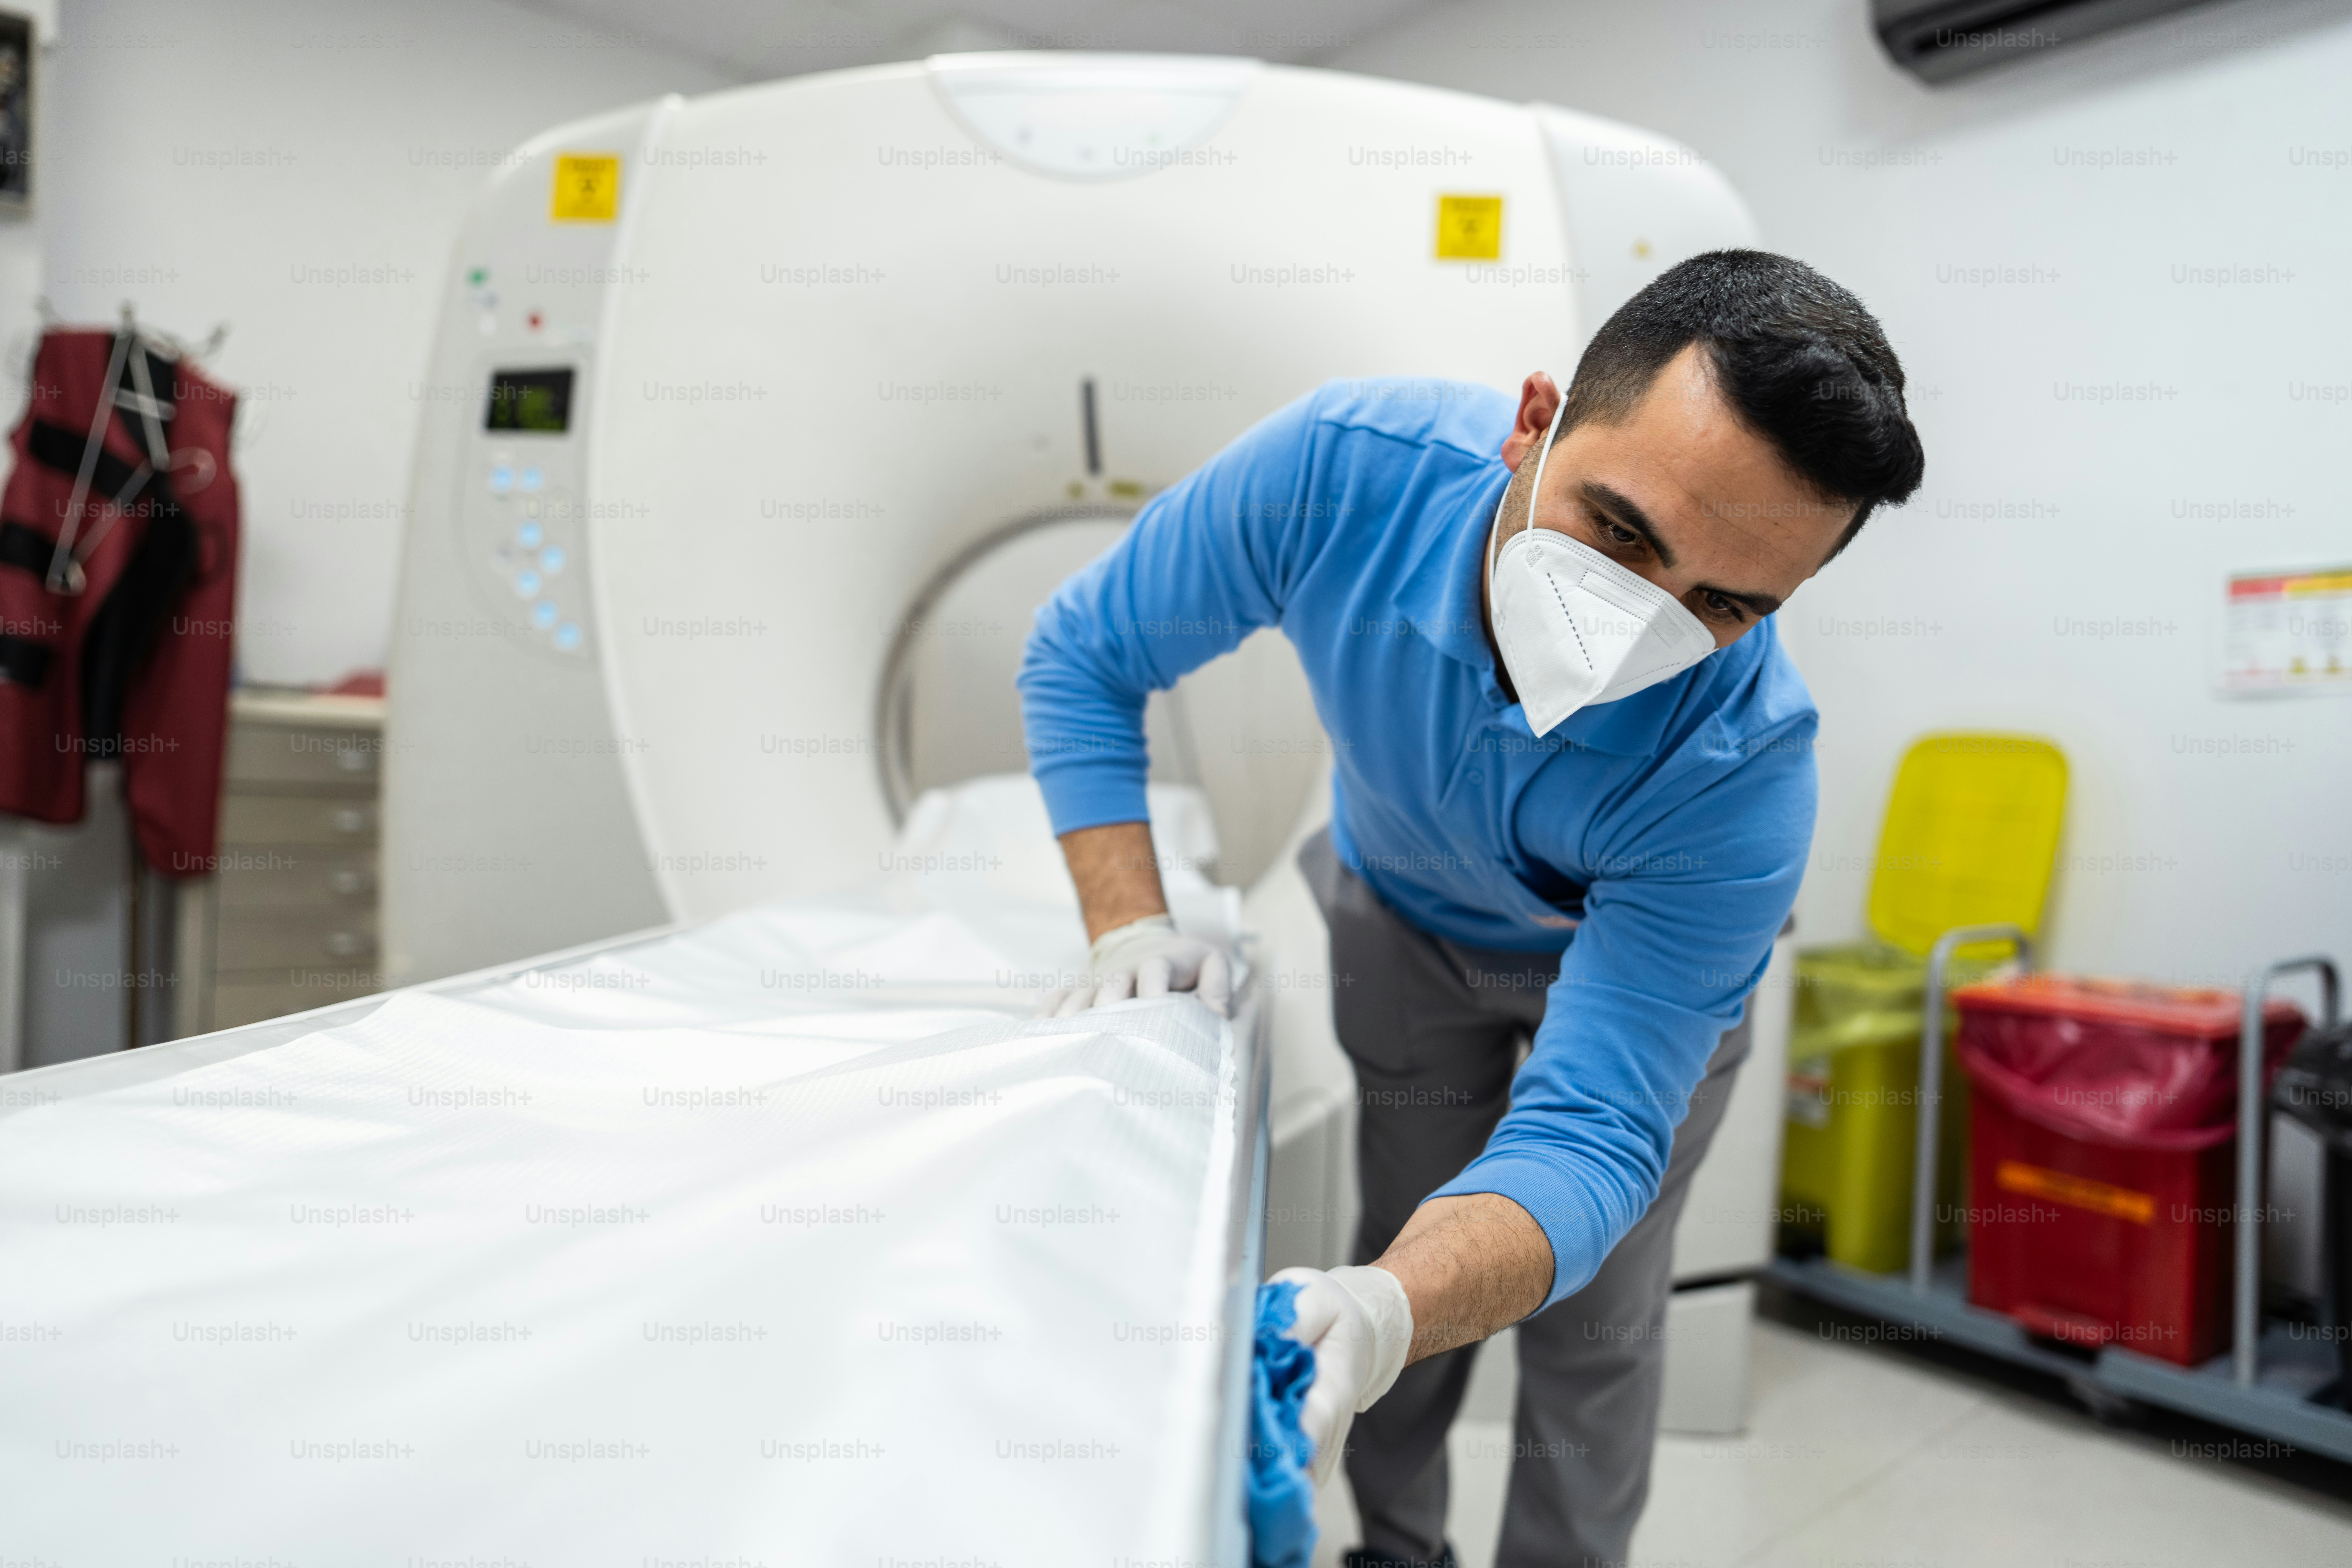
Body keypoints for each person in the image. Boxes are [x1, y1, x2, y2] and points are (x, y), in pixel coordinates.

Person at [1019, 250, 1924, 1567]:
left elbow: (1597, 1135)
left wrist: (1394, 1308)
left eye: (1725, 604)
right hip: (1400, 925)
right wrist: (1126, 923)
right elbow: (1087, 654)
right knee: (1396, 1246)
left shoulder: (1744, 775)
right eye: (1621, 532)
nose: (1635, 629)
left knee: (1593, 1318)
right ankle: (1396, 1547)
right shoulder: (1342, 474)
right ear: (1534, 422)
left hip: (1622, 977)